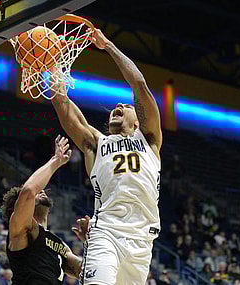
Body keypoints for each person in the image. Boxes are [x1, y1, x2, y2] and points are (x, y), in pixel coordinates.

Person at [50, 28, 162, 285]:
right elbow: (62, 104)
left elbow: (140, 85)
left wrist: (108, 46)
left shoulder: (149, 140)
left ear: (137, 121)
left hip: (142, 242)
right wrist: (52, 64)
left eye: (126, 106)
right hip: (106, 233)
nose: (119, 107)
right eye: (116, 106)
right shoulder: (96, 144)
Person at [1, 135, 86, 284]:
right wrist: (56, 160)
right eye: (37, 191)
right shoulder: (21, 228)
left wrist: (90, 242)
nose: (41, 190)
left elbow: (85, 271)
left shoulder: (61, 246)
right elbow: (28, 191)